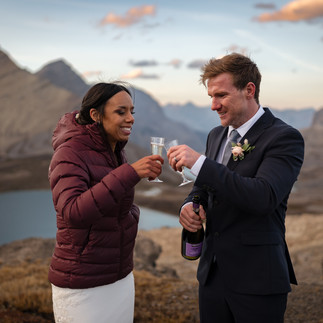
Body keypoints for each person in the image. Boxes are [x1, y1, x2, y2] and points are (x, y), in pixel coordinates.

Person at [167, 53, 304, 323]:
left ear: (249, 90)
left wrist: (201, 163)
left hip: (257, 279)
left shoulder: (284, 137)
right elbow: (204, 187)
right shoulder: (216, 135)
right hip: (212, 276)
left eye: (221, 95)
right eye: (211, 97)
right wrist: (190, 205)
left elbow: (263, 196)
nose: (213, 105)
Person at [48, 82, 163, 323]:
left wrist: (131, 214)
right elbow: (72, 212)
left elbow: (110, 198)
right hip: (83, 284)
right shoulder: (70, 152)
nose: (130, 118)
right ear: (95, 115)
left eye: (132, 111)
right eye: (121, 112)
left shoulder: (114, 150)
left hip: (119, 278)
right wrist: (129, 173)